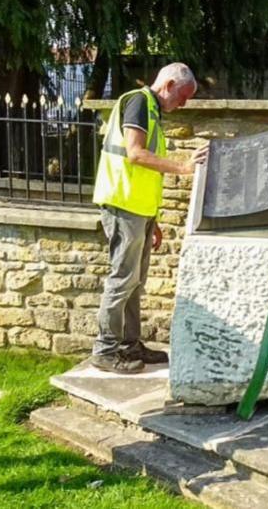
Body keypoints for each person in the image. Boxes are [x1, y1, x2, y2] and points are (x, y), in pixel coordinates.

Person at [90, 63, 208, 374]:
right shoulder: (140, 102)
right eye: (182, 97)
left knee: (135, 282)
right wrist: (184, 167)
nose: (182, 105)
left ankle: (129, 345)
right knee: (122, 280)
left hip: (137, 208)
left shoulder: (152, 110)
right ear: (168, 85)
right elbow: (136, 154)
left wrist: (152, 220)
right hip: (122, 204)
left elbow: (144, 172)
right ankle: (105, 350)